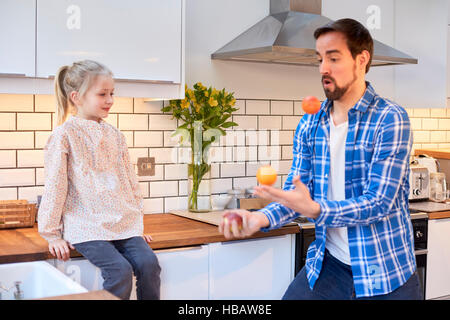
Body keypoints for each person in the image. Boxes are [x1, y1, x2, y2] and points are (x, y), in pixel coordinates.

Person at [219, 18, 422, 300]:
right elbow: (295, 194)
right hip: (330, 267)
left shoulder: (390, 119)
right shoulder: (311, 123)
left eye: (334, 58)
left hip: (385, 274)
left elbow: (379, 203)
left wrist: (316, 210)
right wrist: (258, 219)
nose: (323, 69)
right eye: (320, 59)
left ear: (361, 60)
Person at [38, 60, 161, 300]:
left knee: (149, 264)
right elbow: (55, 187)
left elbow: (129, 182)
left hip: (124, 226)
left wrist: (135, 225)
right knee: (120, 271)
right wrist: (52, 235)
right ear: (77, 97)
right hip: (87, 227)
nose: (110, 100)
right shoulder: (64, 135)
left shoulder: (115, 135)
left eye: (112, 93)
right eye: (102, 94)